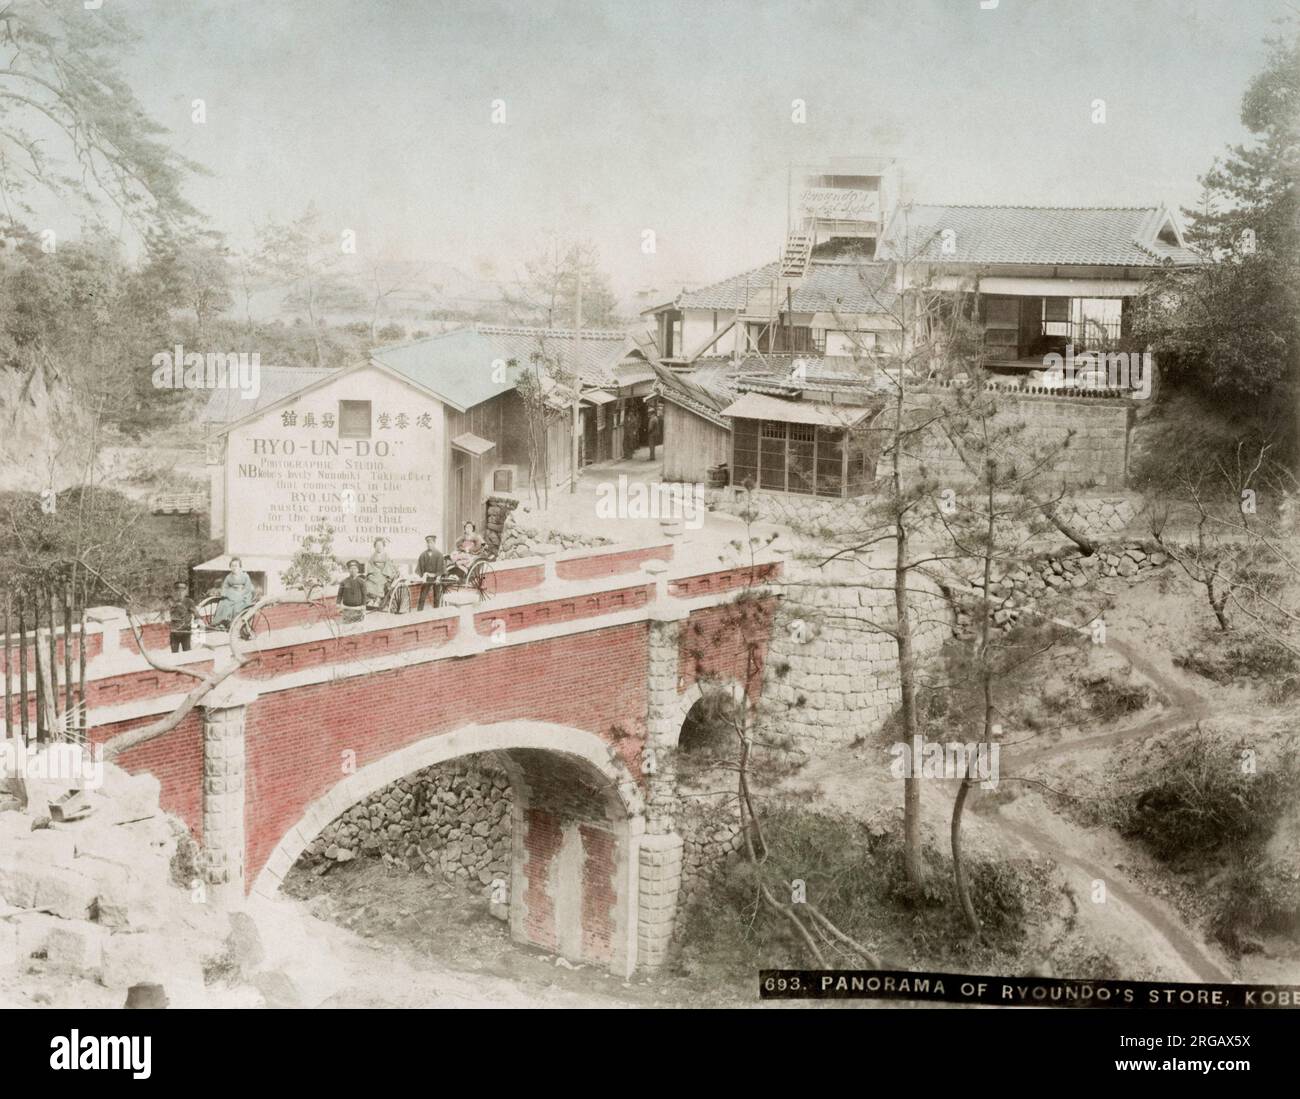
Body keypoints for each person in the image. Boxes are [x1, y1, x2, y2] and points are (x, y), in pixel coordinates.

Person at [211, 558, 255, 630]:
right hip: (231, 594)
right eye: (232, 566)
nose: (234, 567)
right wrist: (224, 594)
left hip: (243, 595)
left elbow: (248, 588)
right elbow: (225, 587)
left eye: (236, 566)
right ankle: (222, 622)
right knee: (223, 603)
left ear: (240, 567)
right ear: (230, 567)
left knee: (236, 606)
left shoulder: (245, 576)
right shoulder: (228, 577)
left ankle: (232, 623)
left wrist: (242, 594)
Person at [167, 581, 199, 653]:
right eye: (178, 590)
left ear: (185, 591)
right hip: (174, 633)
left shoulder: (189, 602)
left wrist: (195, 629)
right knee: (174, 655)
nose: (180, 593)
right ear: (175, 591)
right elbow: (164, 615)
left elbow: (197, 616)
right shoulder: (171, 602)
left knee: (187, 654)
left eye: (182, 590)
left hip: (185, 632)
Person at [415, 534, 445, 610]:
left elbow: (441, 568)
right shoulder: (423, 555)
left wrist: (438, 578)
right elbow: (420, 568)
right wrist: (421, 577)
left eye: (431, 543)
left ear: (434, 543)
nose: (429, 545)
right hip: (427, 578)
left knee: (437, 597)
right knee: (422, 597)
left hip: (436, 578)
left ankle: (436, 612)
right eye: (428, 543)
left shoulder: (439, 554)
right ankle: (419, 612)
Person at [337, 559, 367, 624]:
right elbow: (339, 594)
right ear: (348, 570)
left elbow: (364, 595)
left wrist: (364, 605)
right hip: (347, 609)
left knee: (358, 626)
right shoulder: (344, 582)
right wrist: (338, 604)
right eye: (351, 568)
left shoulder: (361, 582)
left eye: (355, 568)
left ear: (358, 570)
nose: (353, 570)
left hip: (358, 609)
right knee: (347, 626)